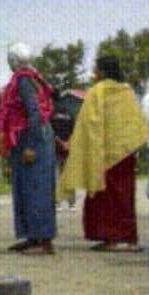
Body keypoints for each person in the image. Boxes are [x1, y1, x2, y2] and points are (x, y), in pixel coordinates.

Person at [58, 56, 148, 252]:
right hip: (125, 153)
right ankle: (127, 238)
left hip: (104, 155)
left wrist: (75, 144)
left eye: (96, 69)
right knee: (124, 196)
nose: (94, 73)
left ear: (102, 71)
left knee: (105, 198)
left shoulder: (97, 92)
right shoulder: (126, 91)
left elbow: (89, 124)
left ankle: (112, 238)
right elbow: (134, 123)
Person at [0, 42, 57, 255]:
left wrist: (30, 145)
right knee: (27, 188)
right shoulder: (32, 78)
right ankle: (32, 236)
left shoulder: (23, 81)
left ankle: (43, 240)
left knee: (36, 189)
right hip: (33, 136)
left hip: (33, 137)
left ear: (13, 61)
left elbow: (33, 112)